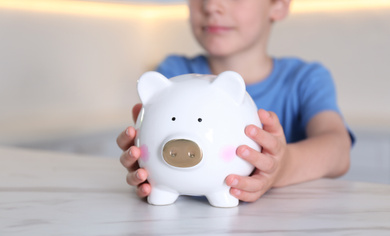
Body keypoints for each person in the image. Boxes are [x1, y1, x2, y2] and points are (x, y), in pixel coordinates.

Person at [117, 0, 354, 203]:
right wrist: (147, 164)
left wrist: (282, 167)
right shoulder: (173, 73)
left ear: (279, 4)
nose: (211, 6)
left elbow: (338, 150)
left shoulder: (305, 79)